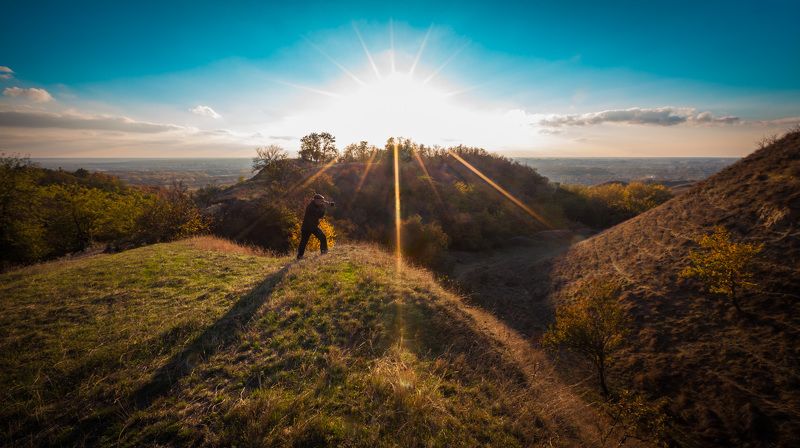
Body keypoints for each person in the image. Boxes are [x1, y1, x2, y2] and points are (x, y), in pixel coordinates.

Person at [297, 193, 334, 259]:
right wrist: (323, 208)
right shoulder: (311, 207)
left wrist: (322, 206)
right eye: (321, 201)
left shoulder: (316, 205)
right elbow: (319, 215)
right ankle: (300, 256)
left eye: (322, 201)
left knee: (322, 237)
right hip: (308, 227)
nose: (322, 202)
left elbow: (320, 215)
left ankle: (324, 251)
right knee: (304, 242)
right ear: (316, 200)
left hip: (311, 226)